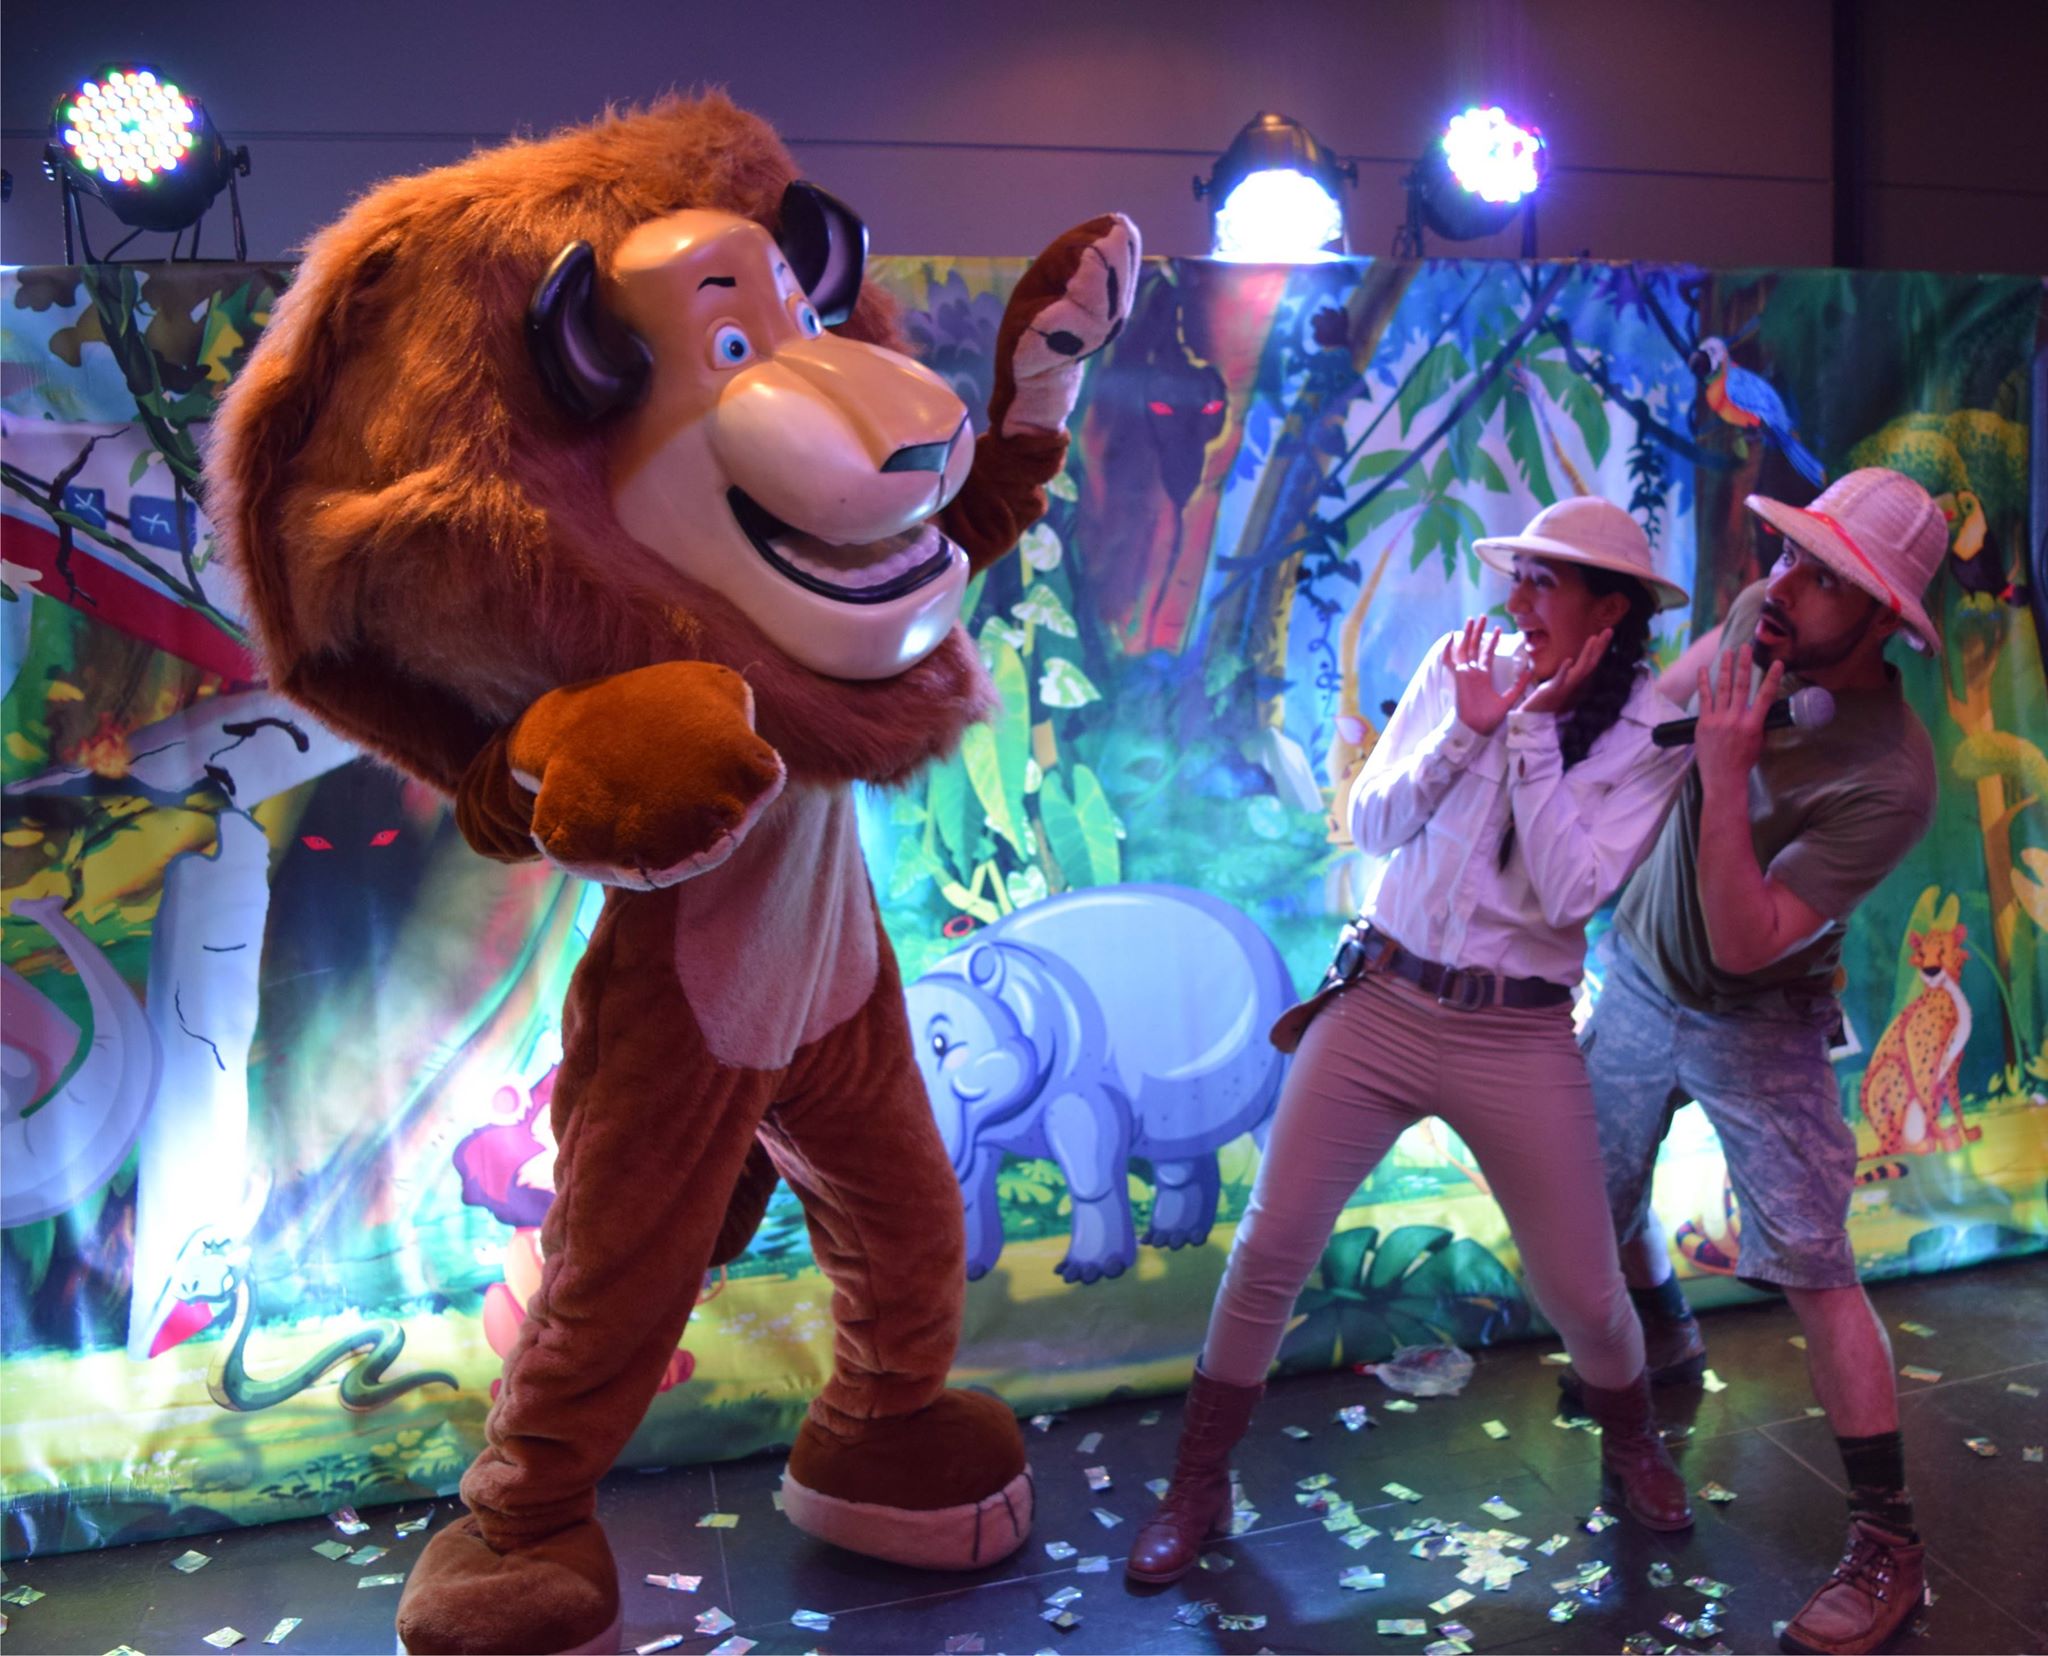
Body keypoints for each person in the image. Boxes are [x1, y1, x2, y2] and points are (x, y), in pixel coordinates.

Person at [1127, 496, 1696, 1586]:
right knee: (1269, 1251)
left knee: (1584, 1290)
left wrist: (1526, 733)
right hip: (1381, 1000)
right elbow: (1372, 823)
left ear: (1608, 611)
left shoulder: (1650, 736)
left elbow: (1569, 892)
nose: (1517, 598)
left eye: (1545, 581)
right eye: (1518, 574)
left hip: (1515, 1035)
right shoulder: (1462, 664)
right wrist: (1467, 729)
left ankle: (1633, 1443)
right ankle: (1196, 1483)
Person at [1578, 468, 1948, 1656]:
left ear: (1882, 617)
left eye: (1823, 577)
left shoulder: (1889, 778)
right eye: (1789, 554)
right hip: (1637, 973)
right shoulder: (1765, 614)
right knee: (1593, 1199)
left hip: (1760, 1019)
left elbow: (1744, 943)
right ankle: (1663, 1335)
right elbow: (1675, 692)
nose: (1782, 585)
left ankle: (1887, 1547)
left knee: (1814, 1267)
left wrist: (1726, 774)